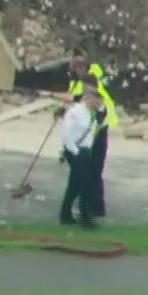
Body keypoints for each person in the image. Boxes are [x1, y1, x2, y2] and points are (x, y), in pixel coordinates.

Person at [62, 51, 119, 217]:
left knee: (92, 172)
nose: (77, 70)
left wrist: (72, 100)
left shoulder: (94, 78)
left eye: (79, 66)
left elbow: (88, 99)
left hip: (98, 131)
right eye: (74, 67)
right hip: (83, 134)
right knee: (82, 174)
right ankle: (82, 209)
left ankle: (93, 208)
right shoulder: (77, 82)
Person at [59, 78, 102, 229]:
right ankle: (85, 217)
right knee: (85, 184)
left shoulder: (92, 114)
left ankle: (65, 214)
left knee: (75, 185)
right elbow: (66, 133)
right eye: (94, 98)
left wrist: (100, 110)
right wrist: (75, 152)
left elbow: (99, 125)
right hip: (77, 152)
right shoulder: (75, 112)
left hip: (86, 151)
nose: (96, 102)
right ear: (87, 97)